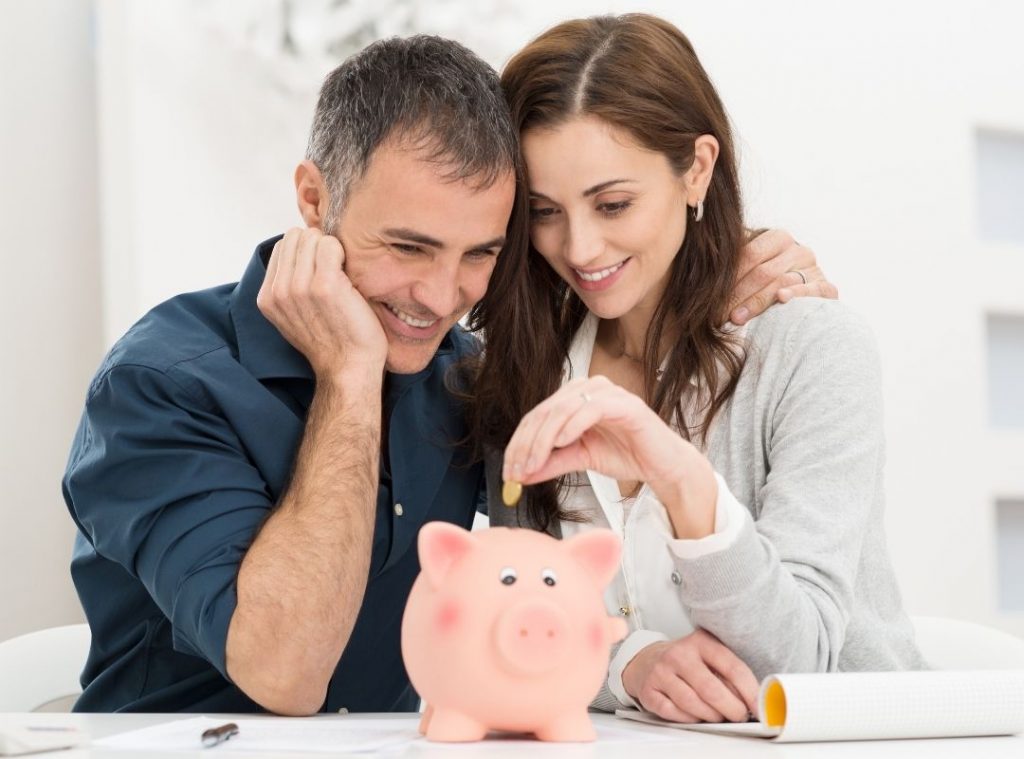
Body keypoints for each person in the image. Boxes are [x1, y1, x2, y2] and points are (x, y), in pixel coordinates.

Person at [63, 34, 827, 715]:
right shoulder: (162, 381)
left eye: (482, 254)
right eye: (407, 247)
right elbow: (284, 673)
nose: (439, 297)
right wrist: (350, 376)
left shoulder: (471, 380)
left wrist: (730, 266)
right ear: (313, 199)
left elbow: (533, 606)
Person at [475, 14, 925, 725]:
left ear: (698, 168)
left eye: (613, 203)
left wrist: (683, 481)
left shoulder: (812, 348)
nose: (580, 246)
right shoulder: (525, 370)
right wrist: (627, 661)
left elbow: (799, 662)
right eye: (544, 212)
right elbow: (505, 615)